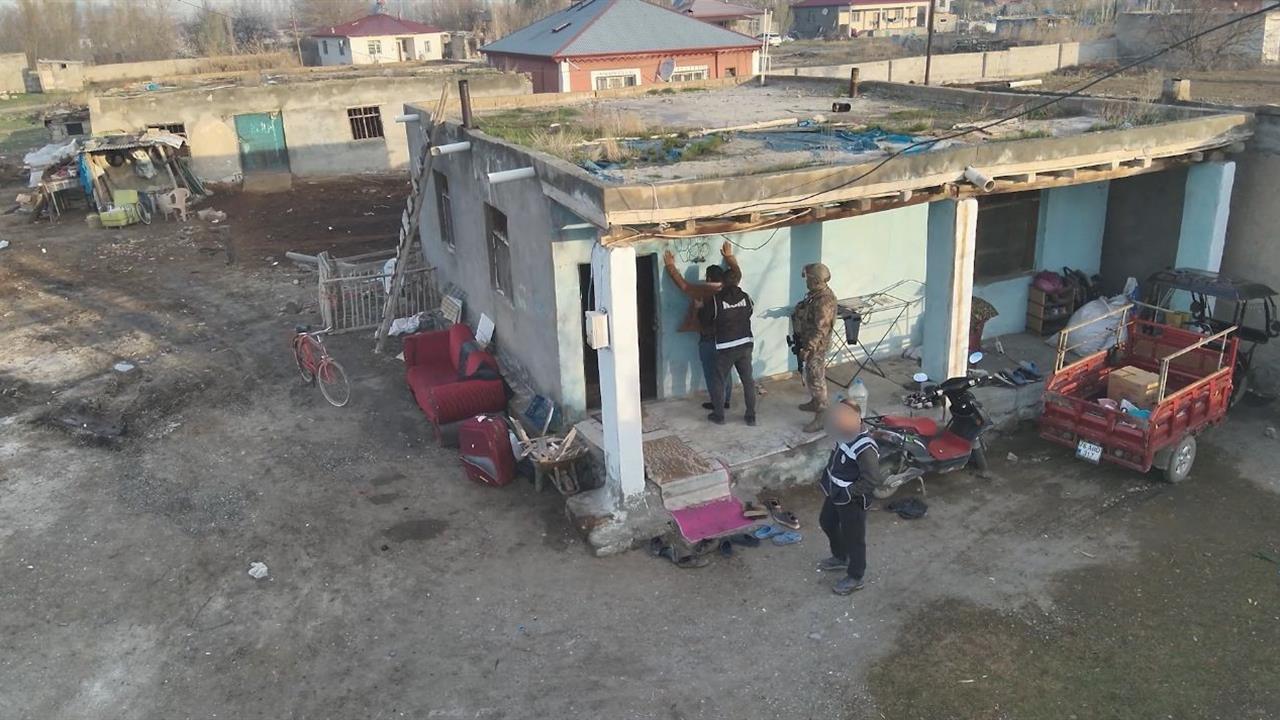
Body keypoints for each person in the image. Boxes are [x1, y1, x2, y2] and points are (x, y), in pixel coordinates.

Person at [815, 397, 891, 595]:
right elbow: (836, 458)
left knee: (854, 538)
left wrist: (849, 493)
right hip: (836, 492)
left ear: (858, 418)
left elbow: (872, 479)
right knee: (827, 522)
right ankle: (841, 557)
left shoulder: (865, 448)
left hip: (851, 500)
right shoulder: (843, 434)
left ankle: (856, 576)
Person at [662, 243, 741, 411]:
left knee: (712, 373)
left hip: (709, 339)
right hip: (727, 339)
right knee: (725, 372)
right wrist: (729, 257)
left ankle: (717, 404)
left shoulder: (701, 291)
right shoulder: (730, 288)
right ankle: (726, 400)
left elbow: (683, 285)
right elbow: (737, 273)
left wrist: (670, 266)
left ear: (709, 278)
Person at [706, 243, 756, 426]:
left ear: (724, 282)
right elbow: (750, 312)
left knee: (719, 380)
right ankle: (751, 416)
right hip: (745, 344)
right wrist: (730, 257)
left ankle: (719, 415)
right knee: (748, 381)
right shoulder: (746, 297)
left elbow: (707, 318)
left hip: (726, 347)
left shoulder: (716, 300)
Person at [791, 263, 838, 434]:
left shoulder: (824, 301)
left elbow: (821, 329)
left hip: (816, 346)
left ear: (816, 281)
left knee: (816, 379)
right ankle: (815, 402)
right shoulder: (815, 295)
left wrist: (808, 348)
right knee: (811, 376)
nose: (806, 282)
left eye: (809, 279)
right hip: (809, 341)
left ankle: (822, 414)